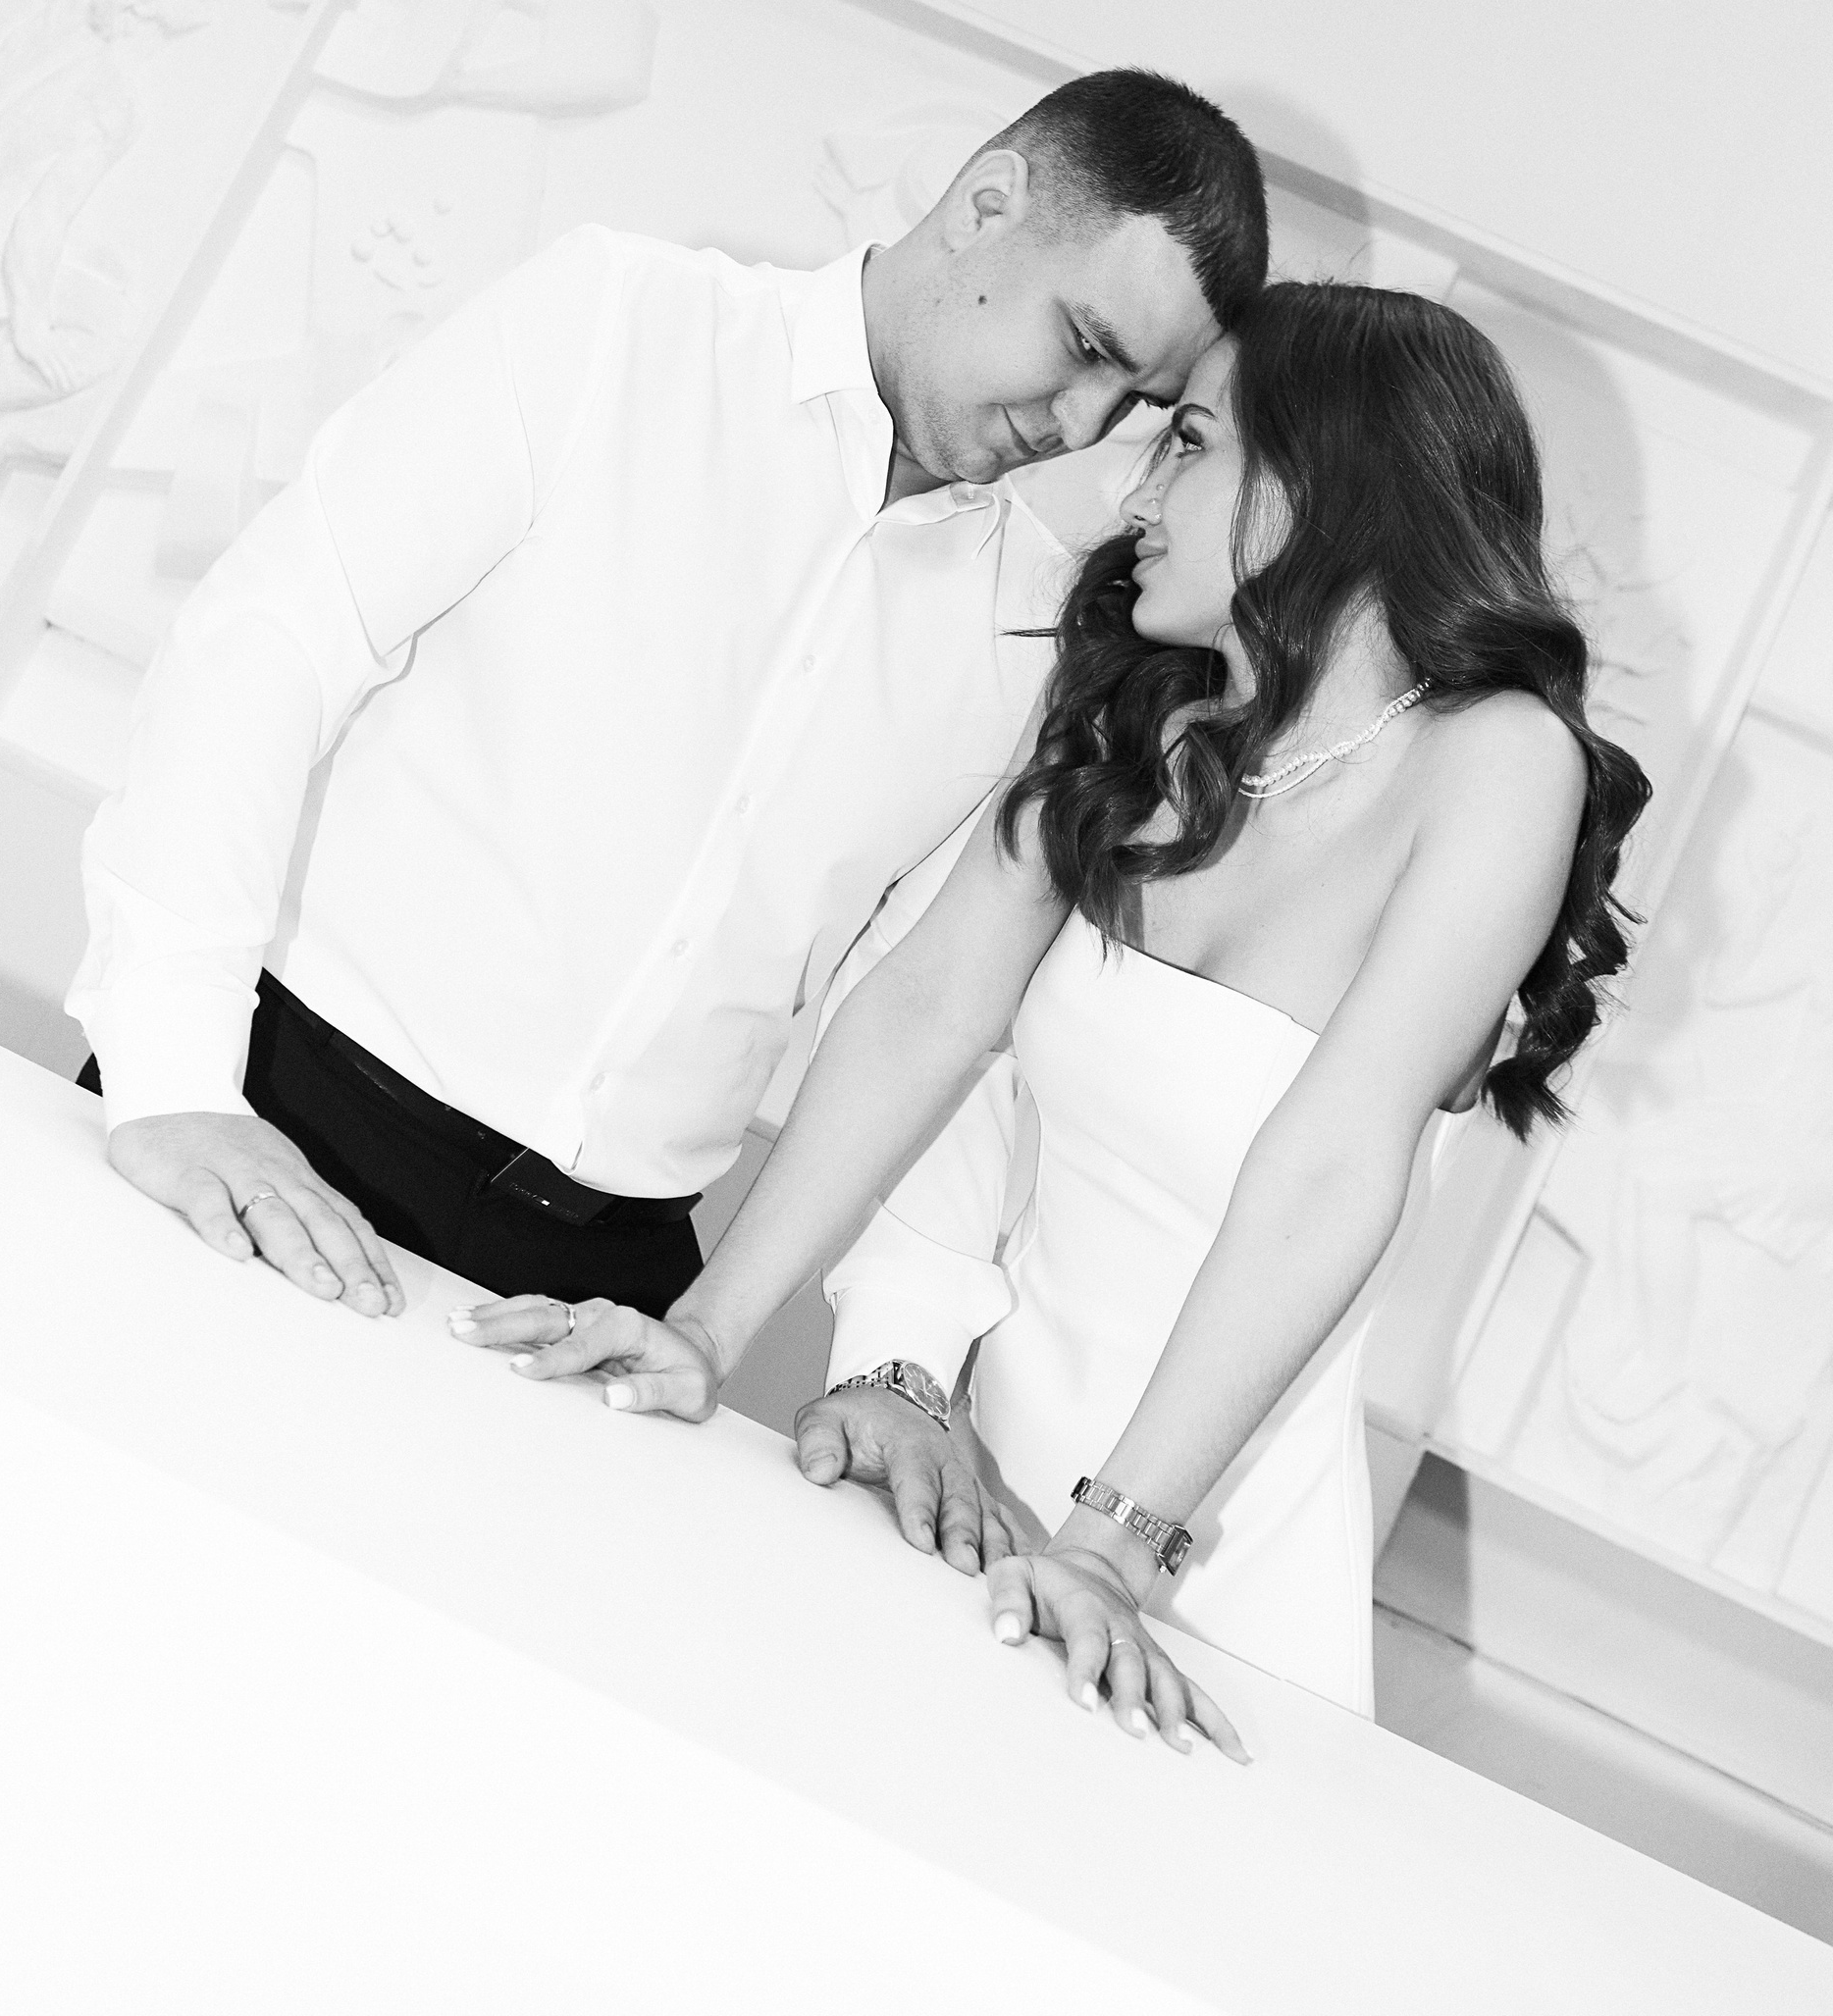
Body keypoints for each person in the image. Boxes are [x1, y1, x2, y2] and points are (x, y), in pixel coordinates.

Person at [452, 283, 1650, 1757]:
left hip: (1199, 1561)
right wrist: (702, 1329)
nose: (1137, 493)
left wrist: (1113, 1549)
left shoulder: (1498, 764)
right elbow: (926, 1006)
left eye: (1189, 443)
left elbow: (1333, 1167)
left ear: (1320, 477)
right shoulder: (1142, 722)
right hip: (976, 1488)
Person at [73, 71, 1267, 1326]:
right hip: (280, 1121)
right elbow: (271, 640)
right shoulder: (615, 324)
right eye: (1086, 346)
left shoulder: (1029, 623)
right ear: (987, 205)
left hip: (608, 1288)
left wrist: (865, 1347)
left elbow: (922, 1004)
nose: (1083, 421)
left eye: (1135, 402)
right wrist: (172, 1078)